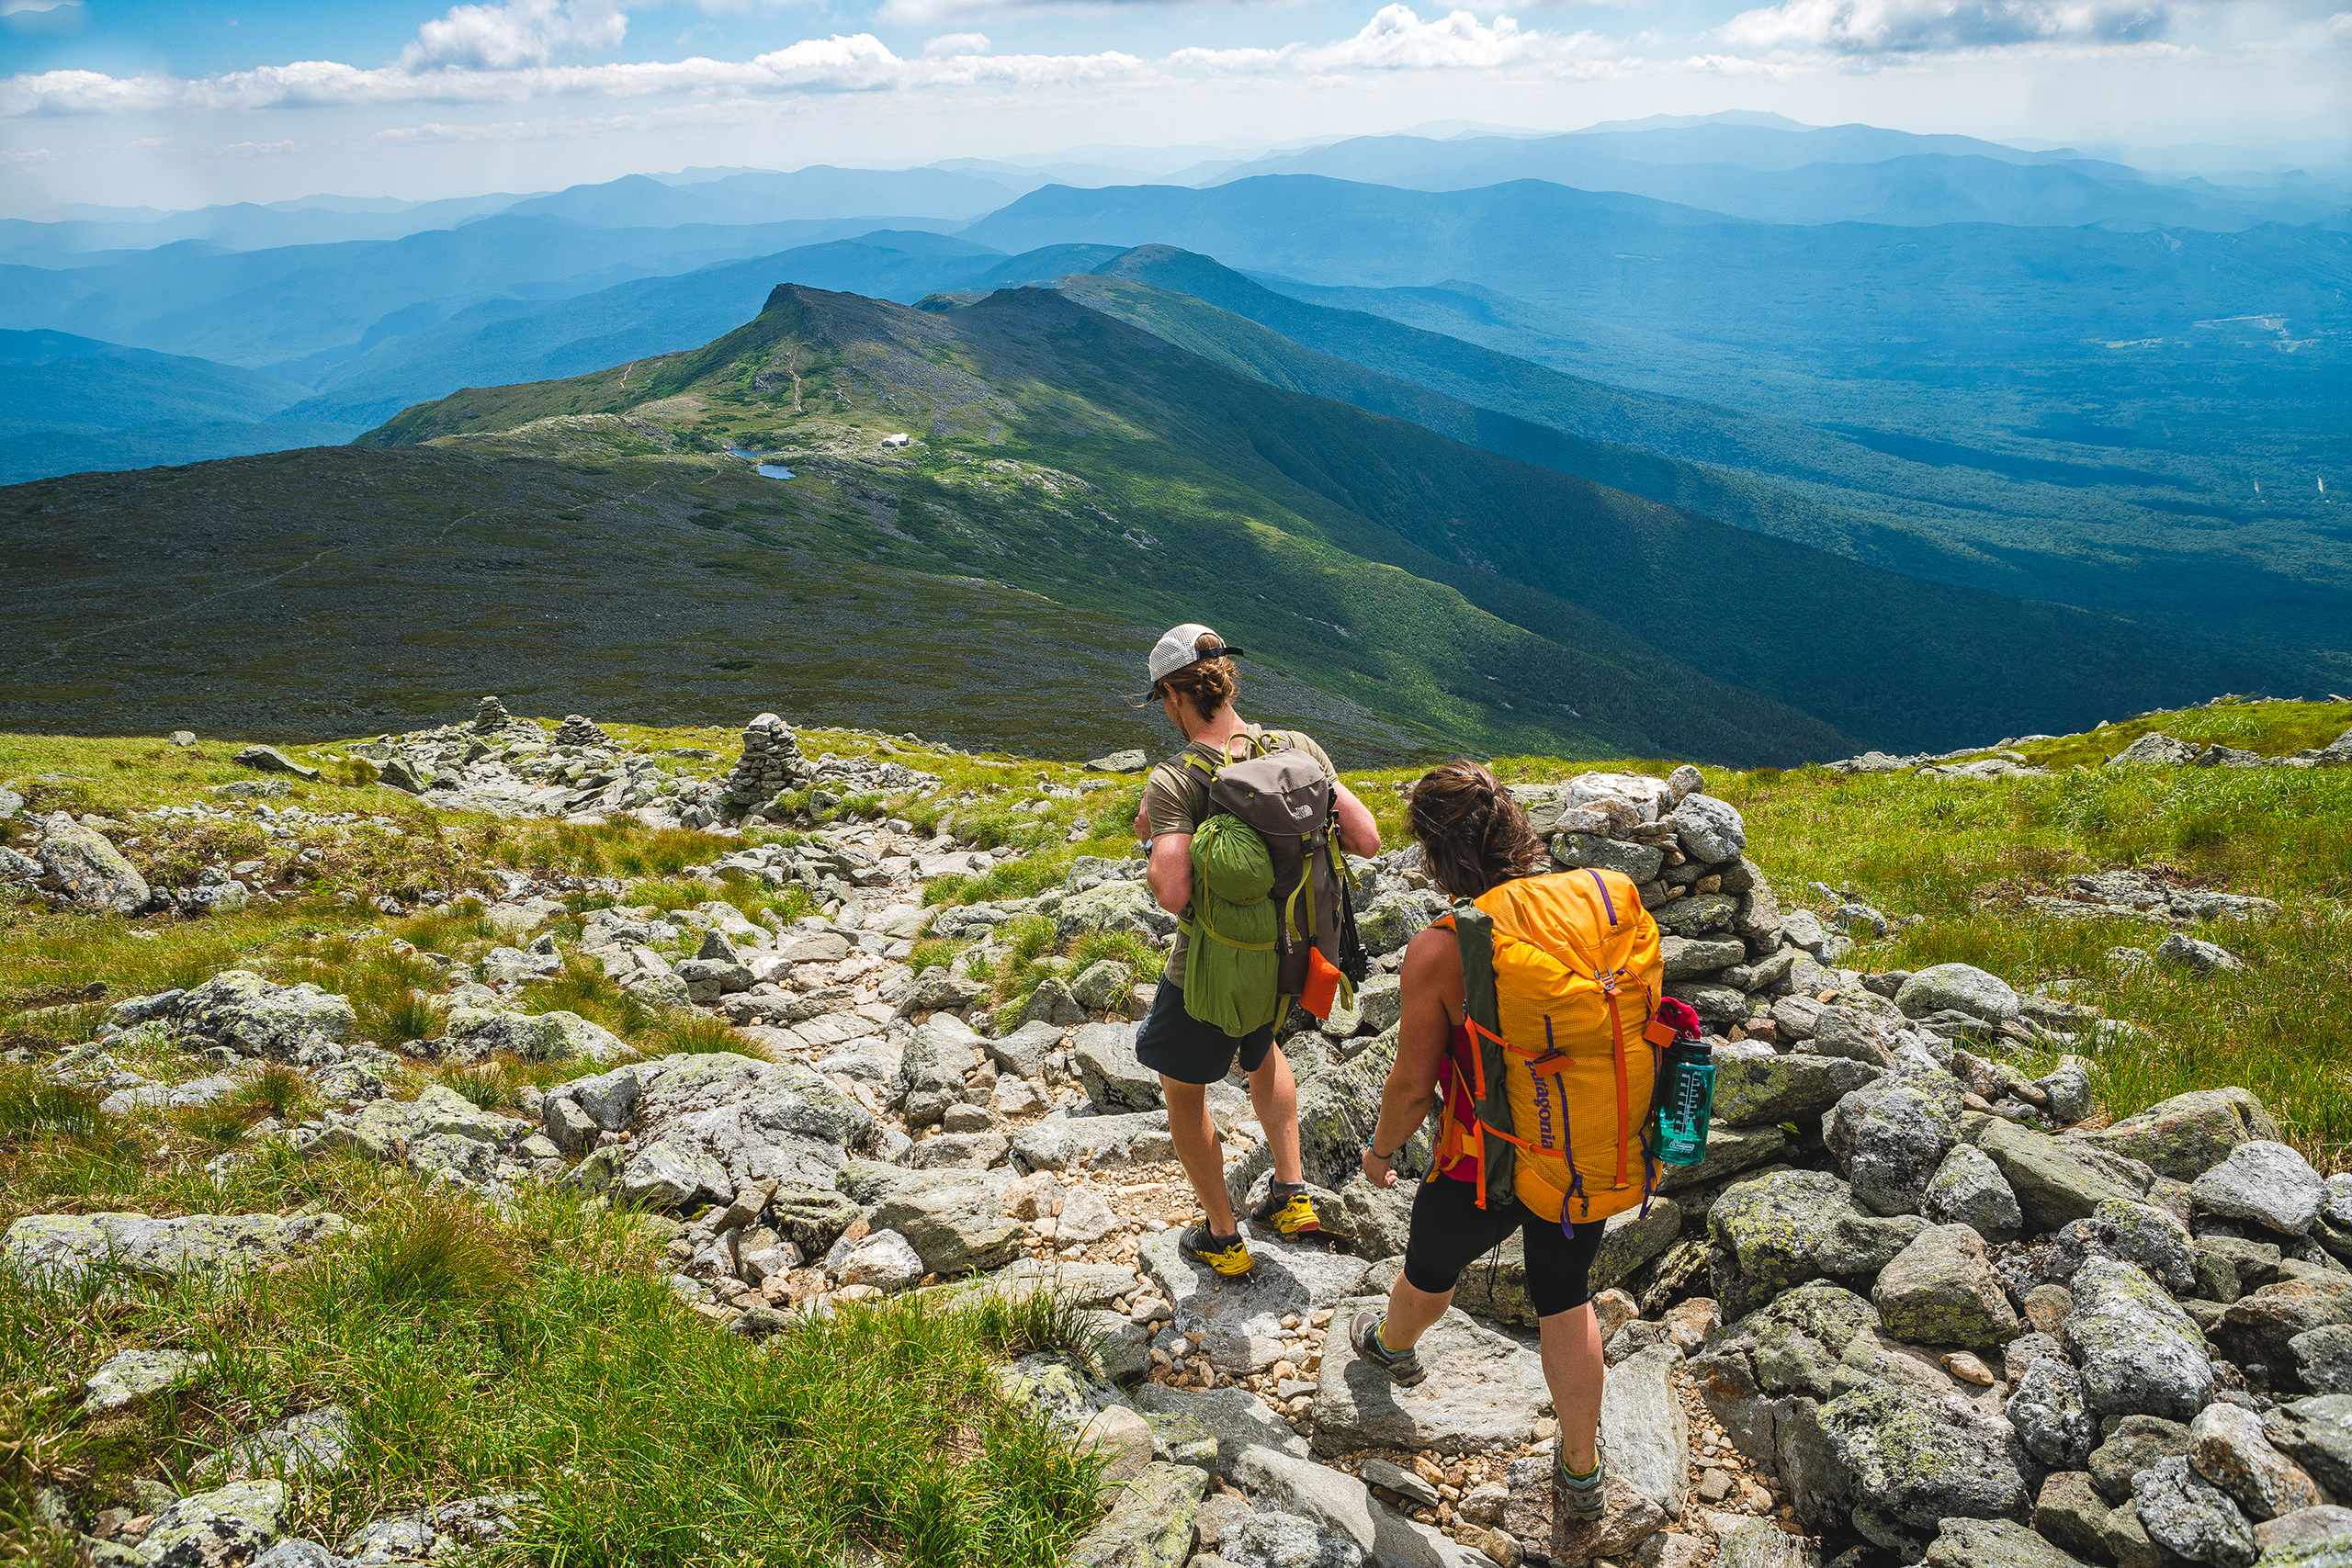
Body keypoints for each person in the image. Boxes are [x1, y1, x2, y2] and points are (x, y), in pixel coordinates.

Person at [1351, 761, 1613, 1521]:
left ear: (1435, 855)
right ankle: (1582, 1467)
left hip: (1484, 1157)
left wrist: (1379, 1152)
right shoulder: (1588, 903)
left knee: (1428, 1268)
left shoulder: (1443, 946)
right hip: (1579, 1143)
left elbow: (1411, 1083)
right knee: (1566, 1296)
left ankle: (1393, 1348)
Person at [1128, 623, 1382, 1278]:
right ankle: (1291, 1194)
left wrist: (1160, 835)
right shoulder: (1295, 746)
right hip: (1293, 958)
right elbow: (1366, 837)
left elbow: (1173, 890)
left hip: (1212, 969)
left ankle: (1221, 1234)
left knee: (1183, 1091)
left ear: (1171, 696)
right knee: (1263, 1048)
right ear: (1226, 681)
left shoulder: (1177, 776)